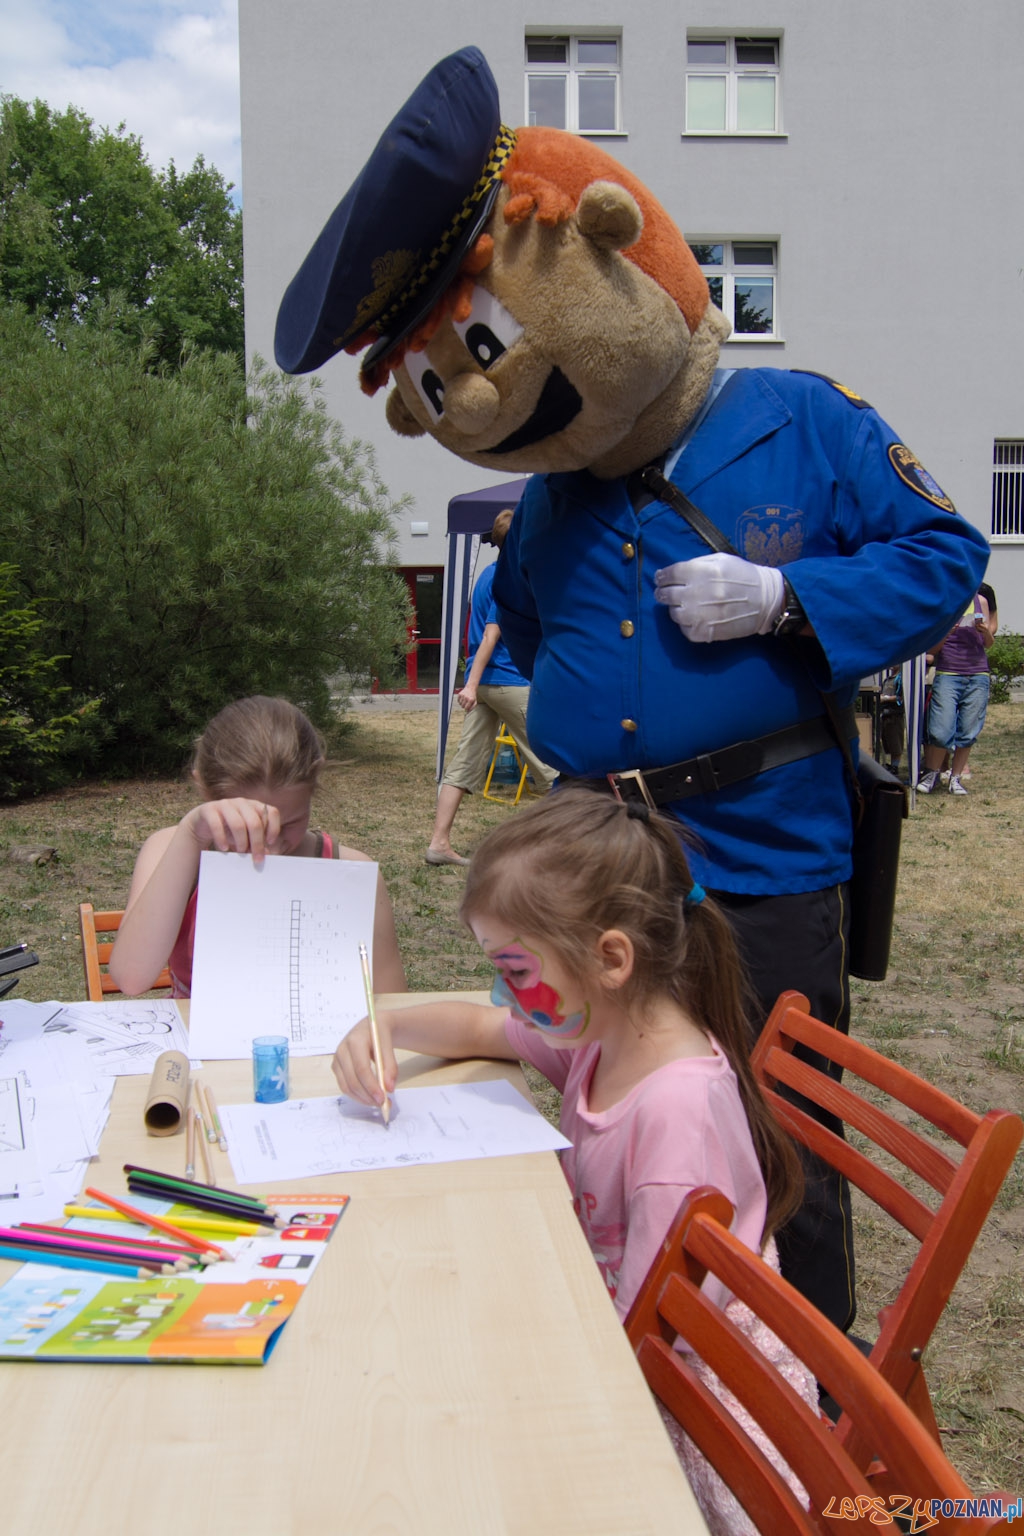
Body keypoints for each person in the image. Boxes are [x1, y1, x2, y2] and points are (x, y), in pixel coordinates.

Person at [275, 47, 991, 1331]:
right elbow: (544, 635)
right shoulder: (549, 500)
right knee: (619, 1102)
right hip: (604, 871)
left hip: (760, 858)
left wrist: (789, 602)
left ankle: (797, 1401)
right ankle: (641, 1330)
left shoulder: (797, 416)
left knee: (781, 1152)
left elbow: (947, 553)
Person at [333, 786, 814, 1536]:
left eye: (516, 970)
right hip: (612, 1328)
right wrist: (381, 1025)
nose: (504, 989)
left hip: (681, 1409)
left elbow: (648, 1337)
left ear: (611, 958)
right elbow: (480, 1026)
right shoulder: (606, 1036)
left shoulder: (672, 1118)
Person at [109, 695, 406, 997]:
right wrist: (191, 835)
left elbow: (391, 1002)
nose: (271, 846)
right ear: (204, 790)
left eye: (289, 823)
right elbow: (132, 978)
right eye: (249, 824)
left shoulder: (350, 870)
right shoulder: (170, 849)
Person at [426, 509, 557, 867]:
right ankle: (564, 852)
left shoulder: (486, 574)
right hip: (508, 682)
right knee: (553, 767)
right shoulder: (511, 579)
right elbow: (491, 633)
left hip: (485, 686)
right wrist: (468, 684)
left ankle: (439, 844)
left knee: (464, 765)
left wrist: (474, 683)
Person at [917, 587, 995, 796]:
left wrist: (985, 631)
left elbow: (989, 643)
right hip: (948, 673)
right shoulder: (945, 599)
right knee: (940, 730)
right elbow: (931, 650)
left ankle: (956, 777)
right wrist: (947, 632)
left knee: (969, 730)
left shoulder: (981, 602)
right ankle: (932, 773)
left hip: (978, 674)